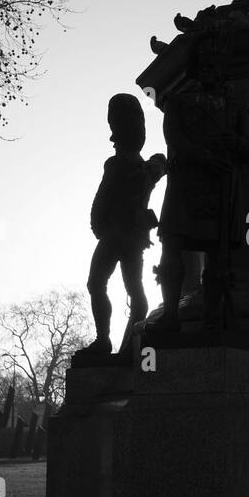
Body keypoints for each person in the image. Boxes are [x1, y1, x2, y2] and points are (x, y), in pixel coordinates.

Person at [152, 30, 249, 336]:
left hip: (220, 186)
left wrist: (236, 142)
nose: (210, 69)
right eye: (205, 64)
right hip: (186, 182)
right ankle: (171, 315)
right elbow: (175, 140)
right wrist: (204, 157)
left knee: (216, 256)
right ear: (196, 67)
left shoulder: (235, 107)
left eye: (215, 64)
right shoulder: (177, 102)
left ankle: (213, 319)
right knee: (171, 246)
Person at [77, 94, 166, 362]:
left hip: (117, 234)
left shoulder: (119, 164)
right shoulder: (144, 166)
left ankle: (109, 341)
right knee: (131, 287)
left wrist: (99, 226)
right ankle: (127, 342)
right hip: (130, 235)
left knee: (101, 284)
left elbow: (103, 197)